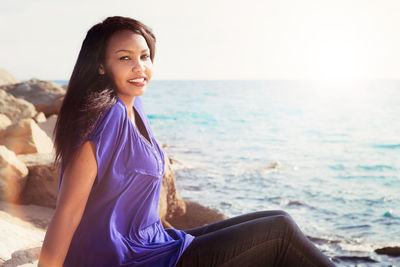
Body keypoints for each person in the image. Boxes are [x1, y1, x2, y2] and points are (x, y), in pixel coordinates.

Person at [38, 16, 335, 267]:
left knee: (279, 216)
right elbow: (68, 210)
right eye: (124, 58)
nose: (139, 67)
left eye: (144, 56)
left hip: (156, 243)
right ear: (101, 66)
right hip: (130, 259)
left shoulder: (133, 105)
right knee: (280, 232)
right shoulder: (106, 118)